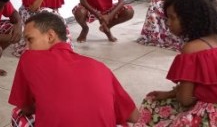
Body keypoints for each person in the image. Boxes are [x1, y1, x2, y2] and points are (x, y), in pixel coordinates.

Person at [9, 12, 139, 126]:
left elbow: (25, 108)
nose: (27, 47)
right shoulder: (100, 67)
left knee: (18, 113)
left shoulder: (29, 58)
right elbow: (134, 116)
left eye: (30, 40)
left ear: (50, 36)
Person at [135, 0, 217, 126]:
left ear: (190, 18)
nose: (168, 23)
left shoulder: (191, 49)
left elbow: (185, 100)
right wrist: (172, 92)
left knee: (152, 102)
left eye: (172, 18)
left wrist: (177, 94)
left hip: (212, 115)